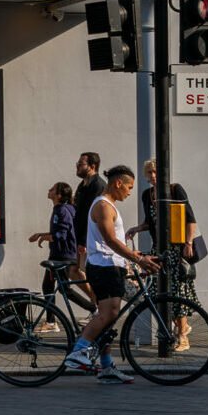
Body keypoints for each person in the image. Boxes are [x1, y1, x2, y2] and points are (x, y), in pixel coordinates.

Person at [63, 163, 156, 381]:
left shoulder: (109, 205)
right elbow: (110, 240)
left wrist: (134, 256)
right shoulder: (104, 206)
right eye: (129, 186)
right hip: (104, 267)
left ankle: (106, 368)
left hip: (111, 266)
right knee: (109, 314)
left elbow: (115, 241)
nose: (130, 191)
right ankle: (78, 351)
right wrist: (138, 259)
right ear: (118, 183)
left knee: (109, 320)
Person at [139, 158, 199, 353]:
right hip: (159, 249)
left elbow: (190, 219)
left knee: (176, 291)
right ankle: (181, 328)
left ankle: (182, 335)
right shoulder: (147, 195)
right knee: (158, 292)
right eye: (150, 173)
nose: (153, 176)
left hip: (176, 248)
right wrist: (136, 228)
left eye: (156, 172)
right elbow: (150, 221)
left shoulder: (175, 190)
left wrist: (188, 243)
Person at [29, 181, 79, 304]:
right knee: (48, 287)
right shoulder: (61, 209)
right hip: (58, 254)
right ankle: (51, 321)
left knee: (64, 290)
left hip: (61, 256)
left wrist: (44, 237)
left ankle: (92, 308)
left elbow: (60, 235)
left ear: (59, 195)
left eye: (52, 189)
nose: (49, 190)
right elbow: (59, 231)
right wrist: (41, 235)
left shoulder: (62, 210)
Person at [71, 151, 107, 275]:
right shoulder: (82, 186)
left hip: (91, 242)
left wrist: (83, 241)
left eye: (81, 164)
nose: (77, 166)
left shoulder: (98, 186)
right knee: (77, 272)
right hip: (81, 240)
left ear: (92, 166)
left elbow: (92, 216)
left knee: (89, 275)